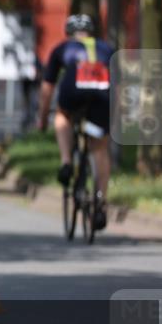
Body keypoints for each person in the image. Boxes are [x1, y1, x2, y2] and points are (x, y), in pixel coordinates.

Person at [37, 14, 113, 230]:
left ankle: (66, 162)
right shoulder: (106, 48)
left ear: (68, 33)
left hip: (73, 90)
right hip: (101, 94)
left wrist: (42, 119)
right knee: (99, 147)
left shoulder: (62, 48)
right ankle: (100, 202)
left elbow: (47, 88)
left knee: (62, 116)